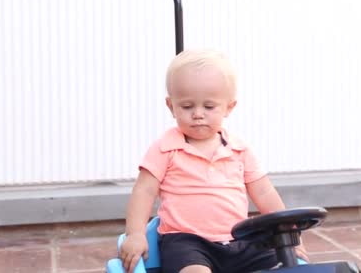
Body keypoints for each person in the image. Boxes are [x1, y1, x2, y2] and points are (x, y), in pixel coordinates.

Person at [120, 49, 307, 273]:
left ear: (229, 107)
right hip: (187, 242)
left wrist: (289, 235)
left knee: (284, 264)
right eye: (187, 106)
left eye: (209, 107)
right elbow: (144, 191)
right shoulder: (165, 147)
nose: (198, 114)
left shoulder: (240, 149)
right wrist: (136, 234)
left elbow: (265, 193)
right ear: (171, 106)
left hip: (240, 240)